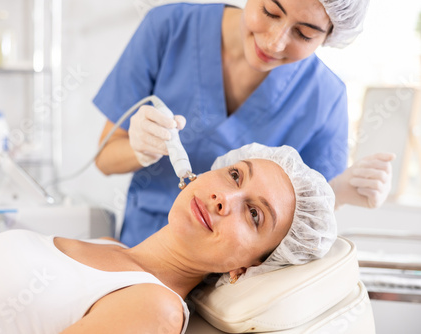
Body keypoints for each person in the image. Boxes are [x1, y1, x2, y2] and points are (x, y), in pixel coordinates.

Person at [0, 143, 336, 334]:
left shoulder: (153, 309)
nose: (223, 199)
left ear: (244, 267)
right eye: (234, 175)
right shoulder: (110, 246)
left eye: (254, 214)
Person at [93, 0, 394, 247]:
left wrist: (337, 193)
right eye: (270, 12)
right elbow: (104, 160)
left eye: (304, 34)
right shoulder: (169, 27)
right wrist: (139, 149)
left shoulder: (325, 97)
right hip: (142, 245)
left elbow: (303, 225)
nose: (275, 42)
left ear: (329, 36)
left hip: (229, 282)